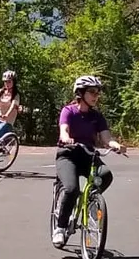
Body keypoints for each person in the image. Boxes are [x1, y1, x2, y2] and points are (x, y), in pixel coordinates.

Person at [52, 75, 126, 245]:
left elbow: (106, 138)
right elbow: (64, 129)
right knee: (71, 189)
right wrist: (66, 138)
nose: (96, 96)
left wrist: (115, 145)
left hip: (88, 155)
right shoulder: (68, 111)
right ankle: (60, 227)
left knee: (106, 175)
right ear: (81, 93)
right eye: (92, 92)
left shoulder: (97, 116)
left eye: (98, 93)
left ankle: (91, 203)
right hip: (68, 154)